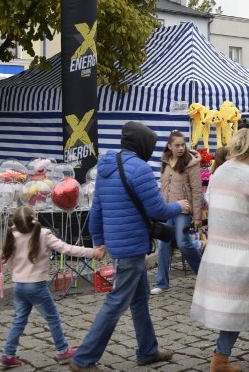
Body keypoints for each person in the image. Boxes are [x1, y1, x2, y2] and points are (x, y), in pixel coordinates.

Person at [69, 122, 190, 371]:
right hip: (132, 245)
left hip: (118, 243)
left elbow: (97, 208)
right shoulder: (140, 169)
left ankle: (147, 350)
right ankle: (84, 358)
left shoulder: (105, 168)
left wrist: (99, 240)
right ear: (143, 144)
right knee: (116, 302)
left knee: (139, 299)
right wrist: (180, 206)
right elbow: (157, 210)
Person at [190, 128, 249, 372]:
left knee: (246, 300)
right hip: (245, 250)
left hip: (221, 247)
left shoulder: (220, 172)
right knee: (238, 304)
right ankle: (220, 357)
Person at [0, 206, 103, 369]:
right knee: (52, 317)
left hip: (19, 285)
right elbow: (67, 249)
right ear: (35, 219)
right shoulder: (43, 234)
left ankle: (7, 355)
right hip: (36, 286)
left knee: (19, 320)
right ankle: (63, 351)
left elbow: (7, 261)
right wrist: (92, 252)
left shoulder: (12, 234)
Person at [151, 131, 203, 295]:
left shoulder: (191, 163)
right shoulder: (165, 162)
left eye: (183, 144)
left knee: (182, 242)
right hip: (167, 209)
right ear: (170, 146)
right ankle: (162, 283)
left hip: (183, 209)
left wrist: (197, 217)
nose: (181, 148)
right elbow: (163, 186)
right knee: (163, 244)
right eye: (177, 145)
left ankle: (204, 276)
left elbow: (196, 191)